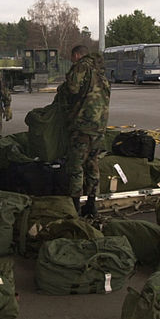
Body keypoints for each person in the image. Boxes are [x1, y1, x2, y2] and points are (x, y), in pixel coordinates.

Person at [57, 44, 110, 217]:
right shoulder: (99, 70)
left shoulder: (82, 66)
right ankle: (92, 204)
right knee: (93, 164)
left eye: (72, 58)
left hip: (82, 125)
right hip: (99, 125)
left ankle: (74, 206)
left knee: (76, 165)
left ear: (77, 55)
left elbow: (72, 88)